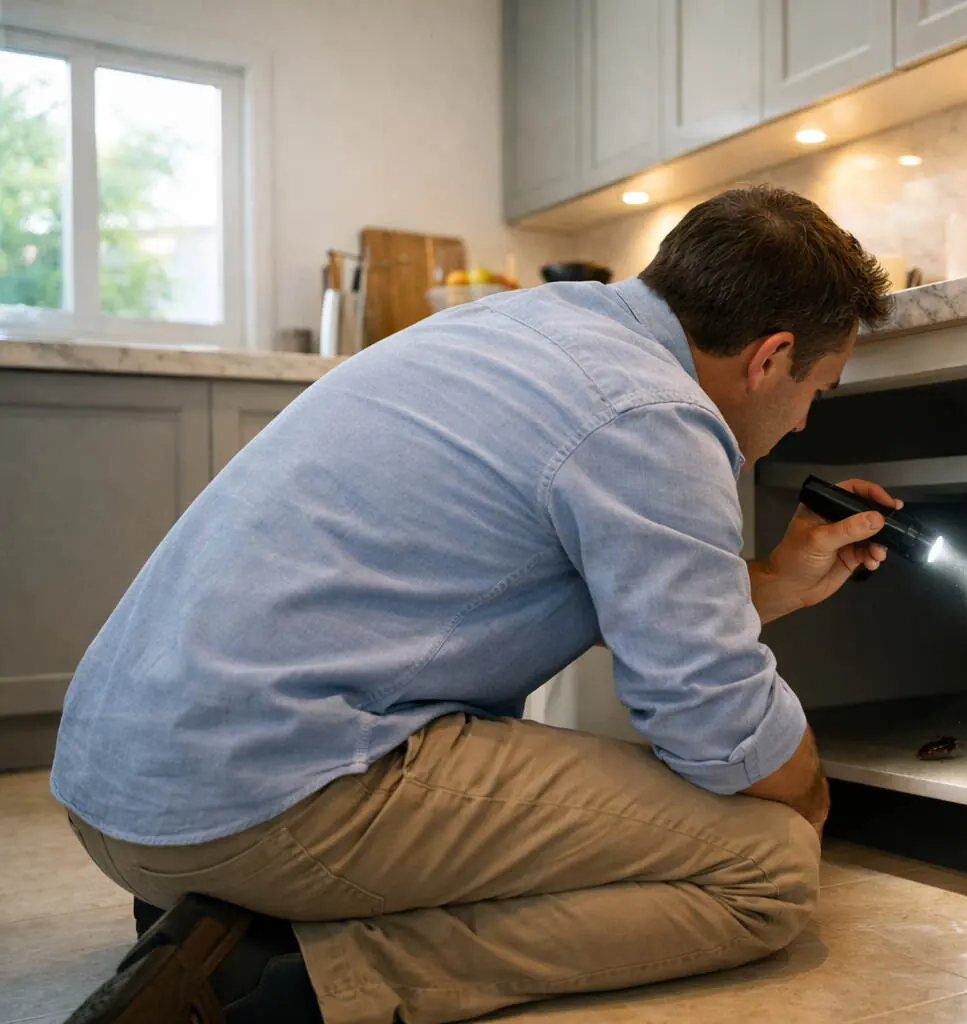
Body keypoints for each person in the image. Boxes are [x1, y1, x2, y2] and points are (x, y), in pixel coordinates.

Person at [55, 185, 897, 1024]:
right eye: (815, 391)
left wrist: (778, 578)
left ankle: (238, 910)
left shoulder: (524, 328)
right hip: (248, 805)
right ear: (770, 355)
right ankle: (275, 980)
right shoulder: (654, 413)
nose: (798, 426)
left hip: (124, 793)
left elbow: (636, 609)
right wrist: (808, 796)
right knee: (772, 867)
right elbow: (709, 710)